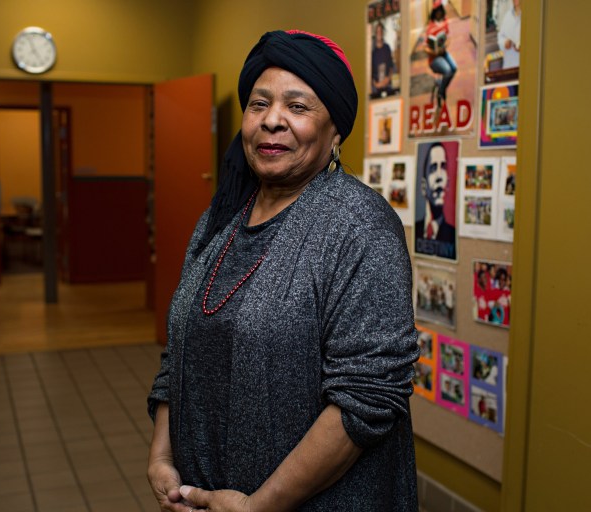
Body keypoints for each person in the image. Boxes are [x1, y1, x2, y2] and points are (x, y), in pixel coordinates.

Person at [147, 30, 420, 512]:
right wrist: (162, 456)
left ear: (335, 130)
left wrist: (260, 507)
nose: (272, 120)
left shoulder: (358, 225)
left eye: (298, 107)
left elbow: (367, 398)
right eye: (259, 104)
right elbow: (181, 349)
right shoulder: (220, 217)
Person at [414, 142, 456, 259]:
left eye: (443, 167)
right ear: (423, 186)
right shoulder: (412, 231)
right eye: (433, 168)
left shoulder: (453, 234)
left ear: (447, 183)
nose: (439, 176)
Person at [424, 0, 457, 108]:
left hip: (443, 53)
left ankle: (441, 87)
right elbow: (425, 48)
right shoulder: (430, 27)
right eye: (436, 11)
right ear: (434, 12)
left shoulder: (445, 22)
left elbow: (448, 38)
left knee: (454, 68)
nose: (438, 13)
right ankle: (441, 93)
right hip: (434, 59)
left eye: (440, 10)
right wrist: (434, 52)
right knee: (447, 71)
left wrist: (445, 46)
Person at [371, 21, 397, 98]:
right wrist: (376, 84)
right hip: (376, 87)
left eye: (380, 31)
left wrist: (387, 79)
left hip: (387, 84)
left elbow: (391, 66)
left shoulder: (387, 48)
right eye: (377, 31)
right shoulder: (373, 51)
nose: (379, 33)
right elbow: (371, 71)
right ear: (375, 33)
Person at [497, 0, 521, 70]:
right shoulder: (507, 15)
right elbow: (500, 37)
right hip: (508, 65)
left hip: (522, 68)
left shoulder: (529, 17)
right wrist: (505, 43)